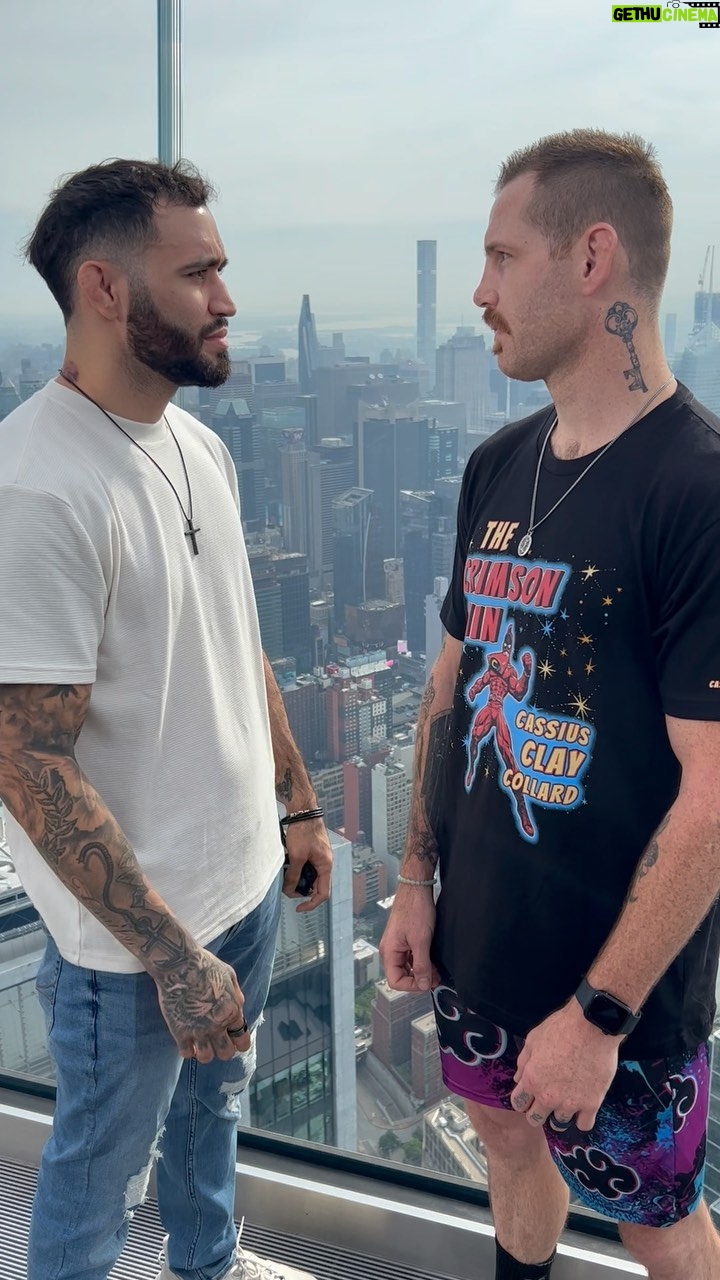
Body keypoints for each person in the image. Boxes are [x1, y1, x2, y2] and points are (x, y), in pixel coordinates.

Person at [380, 128, 720, 1280]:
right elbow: (452, 683)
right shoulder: (497, 464)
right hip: (478, 948)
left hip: (615, 997)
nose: (479, 292)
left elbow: (715, 798)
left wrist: (602, 1015)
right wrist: (417, 881)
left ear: (592, 261)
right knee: (507, 1148)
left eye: (500, 255)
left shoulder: (697, 489)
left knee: (658, 1221)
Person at [0, 159, 332, 1280]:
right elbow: (24, 755)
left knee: (213, 1115)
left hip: (241, 883)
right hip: (134, 945)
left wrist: (297, 803)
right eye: (199, 273)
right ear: (104, 289)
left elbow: (238, 639)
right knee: (97, 1171)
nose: (226, 297)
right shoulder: (35, 486)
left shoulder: (200, 446)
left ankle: (211, 1263)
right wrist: (171, 958)